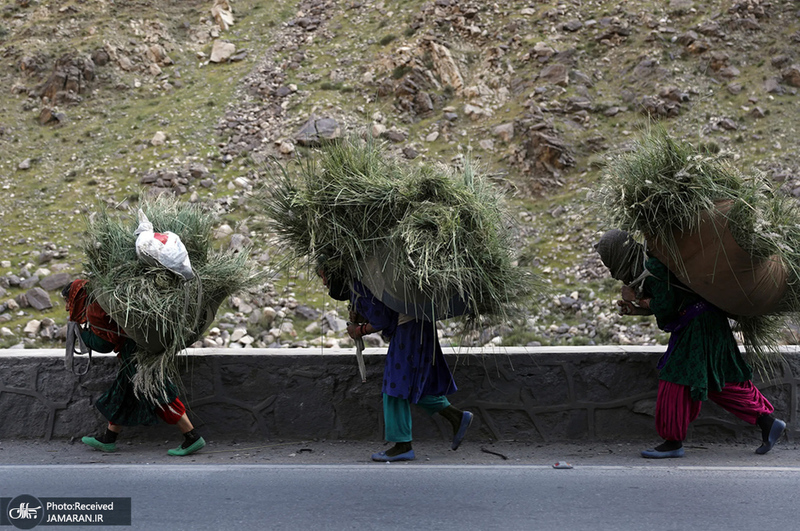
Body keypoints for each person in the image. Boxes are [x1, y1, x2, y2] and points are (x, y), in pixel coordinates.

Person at [595, 229, 786, 458]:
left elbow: (666, 307)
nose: (609, 266)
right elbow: (672, 301)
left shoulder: (653, 268)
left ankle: (672, 442)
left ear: (619, 253)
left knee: (674, 381)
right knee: (717, 380)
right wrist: (636, 309)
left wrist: (636, 299)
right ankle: (768, 423)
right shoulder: (648, 267)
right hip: (704, 323)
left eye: (609, 259)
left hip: (698, 328)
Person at [318, 261, 474, 462]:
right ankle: (458, 418)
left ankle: (402, 446)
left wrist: (360, 330)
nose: (324, 283)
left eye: (324, 277)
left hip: (408, 329)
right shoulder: (362, 280)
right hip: (419, 324)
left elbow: (384, 320)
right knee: (413, 383)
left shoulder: (358, 285)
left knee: (394, 387)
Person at [63, 279, 206, 456]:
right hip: (140, 348)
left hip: (135, 353)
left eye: (67, 301)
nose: (67, 307)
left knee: (158, 392)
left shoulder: (95, 308)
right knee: (123, 393)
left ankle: (192, 436)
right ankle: (108, 439)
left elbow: (105, 344)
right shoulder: (106, 296)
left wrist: (84, 336)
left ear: (75, 296)